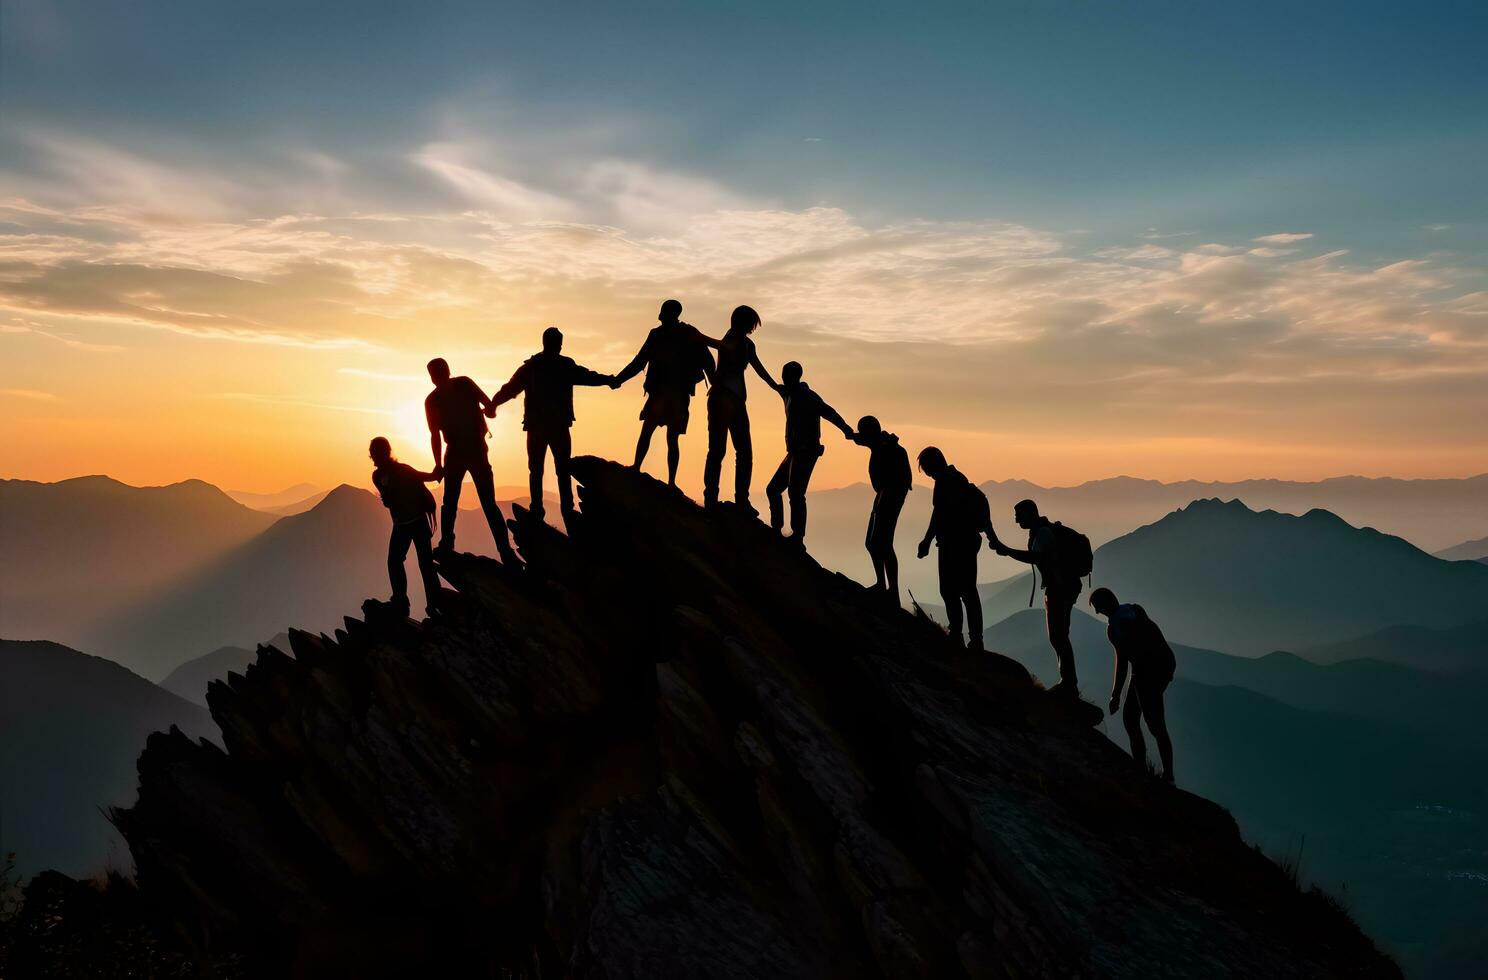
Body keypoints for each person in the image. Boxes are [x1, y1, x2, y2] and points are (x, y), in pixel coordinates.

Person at [492, 327, 614, 525]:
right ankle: (566, 509)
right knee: (561, 468)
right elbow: (587, 376)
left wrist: (493, 404)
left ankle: (538, 510)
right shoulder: (564, 365)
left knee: (537, 469)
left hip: (537, 426)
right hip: (557, 426)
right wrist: (608, 380)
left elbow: (510, 388)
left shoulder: (532, 366)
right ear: (558, 343)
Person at [613, 299, 716, 488]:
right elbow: (709, 361)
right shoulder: (686, 333)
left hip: (663, 392)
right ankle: (669, 481)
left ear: (666, 313)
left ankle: (639, 469)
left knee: (651, 432)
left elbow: (639, 362)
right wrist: (715, 384)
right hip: (676, 394)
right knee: (670, 438)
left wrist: (618, 380)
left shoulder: (659, 334)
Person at [424, 357, 517, 563]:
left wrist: (438, 465)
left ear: (432, 377)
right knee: (488, 504)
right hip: (475, 450)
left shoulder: (433, 400)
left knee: (450, 503)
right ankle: (506, 552)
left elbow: (434, 435)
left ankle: (447, 543)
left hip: (455, 452)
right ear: (448, 370)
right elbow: (488, 406)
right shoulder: (464, 384)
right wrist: (490, 411)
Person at [995, 500, 1083, 696]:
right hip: (1065, 587)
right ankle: (1069, 682)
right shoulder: (1043, 530)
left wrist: (1008, 551)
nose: (1016, 520)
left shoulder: (1042, 533)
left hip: (1059, 588)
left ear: (1029, 514)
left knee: (1058, 636)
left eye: (1018, 515)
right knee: (1060, 635)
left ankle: (1069, 683)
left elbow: (1037, 558)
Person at [1090, 587, 1176, 783]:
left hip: (1146, 672)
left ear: (1105, 605)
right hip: (1162, 664)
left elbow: (1122, 662)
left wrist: (1115, 694)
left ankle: (1154, 771)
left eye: (1097, 607)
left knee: (1151, 723)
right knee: (1137, 718)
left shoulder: (1115, 628)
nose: (1097, 612)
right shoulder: (1136, 609)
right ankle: (1157, 770)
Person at [915, 447, 996, 650]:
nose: (925, 472)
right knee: (968, 591)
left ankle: (957, 635)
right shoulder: (958, 477)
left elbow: (939, 514)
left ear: (931, 464)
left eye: (924, 467)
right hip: (968, 542)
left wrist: (926, 540)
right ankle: (975, 639)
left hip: (953, 543)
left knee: (950, 591)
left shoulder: (944, 481)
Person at [765, 361, 854, 544]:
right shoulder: (787, 393)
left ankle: (798, 537)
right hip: (794, 452)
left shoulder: (806, 396)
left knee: (796, 493)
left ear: (794, 376)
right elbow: (771, 383)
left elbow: (829, 412)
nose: (782, 378)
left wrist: (846, 429)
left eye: (785, 374)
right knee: (773, 489)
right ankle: (776, 529)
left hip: (806, 451)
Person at [703, 305, 778, 511]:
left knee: (743, 452)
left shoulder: (747, 344)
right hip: (722, 398)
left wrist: (776, 387)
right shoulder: (731, 339)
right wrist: (698, 335)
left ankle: (741, 500)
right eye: (751, 323)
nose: (753, 327)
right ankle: (712, 498)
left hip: (737, 401)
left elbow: (759, 369)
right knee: (719, 450)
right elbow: (720, 346)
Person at [368, 437, 441, 618]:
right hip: (411, 523)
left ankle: (405, 602)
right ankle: (432, 604)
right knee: (423, 564)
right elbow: (427, 477)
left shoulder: (383, 475)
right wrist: (440, 470)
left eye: (375, 454)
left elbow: (389, 500)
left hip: (408, 524)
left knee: (399, 561)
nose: (374, 458)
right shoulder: (387, 474)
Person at [851, 416, 912, 602]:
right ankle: (884, 586)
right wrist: (849, 433)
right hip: (884, 497)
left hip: (889, 497)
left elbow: (898, 480)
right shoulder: (882, 443)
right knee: (874, 543)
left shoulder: (887, 448)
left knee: (881, 543)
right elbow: (860, 440)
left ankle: (890, 589)